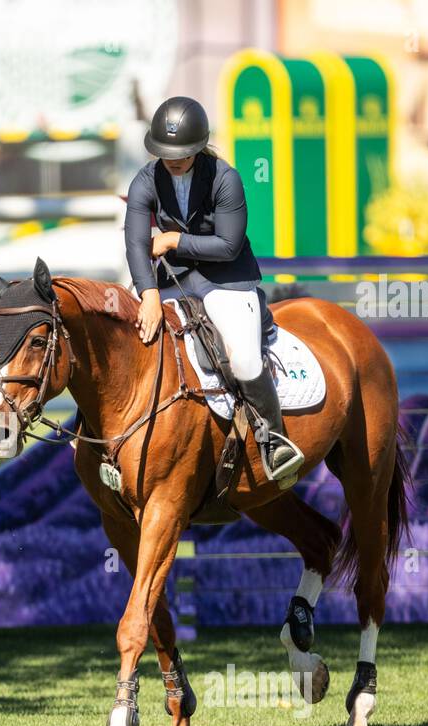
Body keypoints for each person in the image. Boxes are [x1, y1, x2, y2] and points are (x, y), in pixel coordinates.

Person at [124, 95, 304, 486]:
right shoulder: (144, 181)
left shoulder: (226, 178)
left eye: (182, 153)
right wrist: (147, 294)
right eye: (166, 152)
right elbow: (136, 243)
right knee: (123, 339)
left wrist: (173, 239)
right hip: (172, 282)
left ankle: (274, 441)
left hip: (227, 278)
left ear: (198, 147)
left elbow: (228, 245)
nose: (173, 160)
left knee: (242, 360)